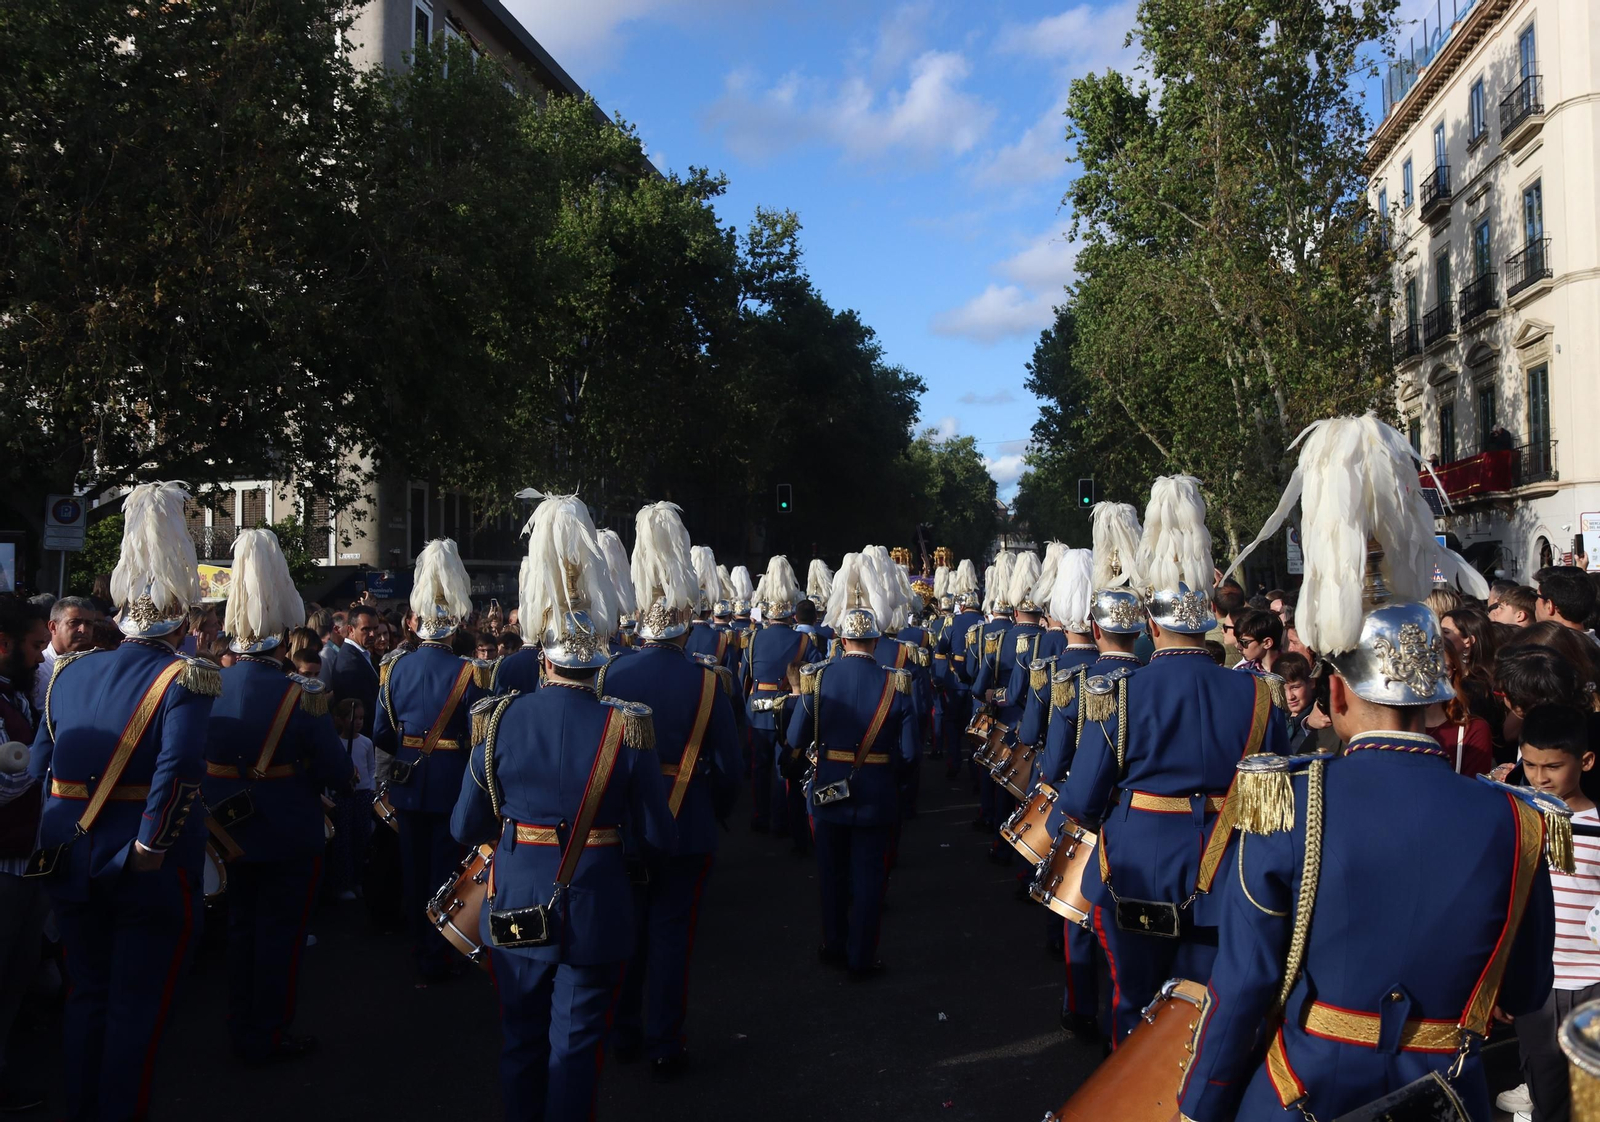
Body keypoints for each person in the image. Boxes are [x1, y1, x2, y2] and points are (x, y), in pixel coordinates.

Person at [1175, 414, 1552, 1122]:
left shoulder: (1288, 800)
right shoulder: (1518, 819)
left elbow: (1247, 982)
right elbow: (1528, 988)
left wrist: (1201, 1106)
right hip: (1450, 1100)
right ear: (1443, 701)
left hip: (1305, 1093)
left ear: (1338, 691)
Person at [451, 494, 673, 1122]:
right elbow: (657, 835)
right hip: (596, 899)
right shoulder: (627, 728)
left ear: (541, 655)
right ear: (600, 657)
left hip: (516, 894)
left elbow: (463, 824)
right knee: (575, 1048)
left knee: (520, 1041)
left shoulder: (496, 722)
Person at [1056, 474, 1287, 1045]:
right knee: (1207, 1013)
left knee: (1135, 1005)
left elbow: (1083, 800)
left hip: (1138, 865)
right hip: (1230, 869)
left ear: (1150, 625)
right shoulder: (1262, 693)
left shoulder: (1122, 692)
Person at [27, 482, 219, 1121]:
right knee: (138, 1007)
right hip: (140, 867)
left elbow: (37, 763)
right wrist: (148, 847)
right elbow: (181, 770)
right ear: (179, 617)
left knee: (87, 995)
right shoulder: (183, 677)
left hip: (69, 858)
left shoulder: (70, 672)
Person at [602, 503, 741, 1081]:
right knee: (670, 937)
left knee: (624, 931)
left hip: (623, 822)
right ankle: (664, 1039)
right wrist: (718, 812)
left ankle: (622, 1031)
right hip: (687, 822)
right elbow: (732, 767)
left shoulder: (610, 674)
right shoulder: (707, 679)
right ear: (685, 623)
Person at [201, 528, 352, 1064]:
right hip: (288, 829)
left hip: (224, 827)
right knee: (280, 937)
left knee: (239, 930)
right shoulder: (302, 695)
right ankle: (268, 1030)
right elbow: (335, 770)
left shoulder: (206, 685)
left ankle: (239, 1024)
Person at [374, 538, 490, 985]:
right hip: (450, 784)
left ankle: (418, 950)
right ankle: (439, 954)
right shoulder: (470, 672)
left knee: (414, 871)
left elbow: (381, 732)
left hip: (406, 782)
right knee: (447, 874)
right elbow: (481, 737)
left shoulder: (394, 668)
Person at [794, 572, 920, 978]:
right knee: (869, 878)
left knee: (830, 872)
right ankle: (861, 957)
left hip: (829, 784)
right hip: (877, 791)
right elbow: (911, 753)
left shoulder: (820, 677)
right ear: (876, 642)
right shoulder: (896, 683)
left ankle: (834, 943)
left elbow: (796, 736)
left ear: (842, 640)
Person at [1510, 704, 1600, 1122]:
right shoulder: (1519, 820)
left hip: (1592, 986)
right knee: (1546, 1089)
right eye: (1529, 765)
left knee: (1590, 1098)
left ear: (1585, 761)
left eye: (1553, 766)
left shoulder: (1597, 826)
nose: (1540, 777)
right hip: (1537, 988)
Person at [0, 598, 48, 1113]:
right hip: (3, 866)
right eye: (35, 645)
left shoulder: (18, 695)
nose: (41, 657)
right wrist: (45, 762)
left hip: (25, 862)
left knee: (16, 977)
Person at [742, 556, 820, 840]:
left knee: (759, 765)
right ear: (790, 616)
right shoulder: (803, 641)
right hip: (789, 708)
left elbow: (744, 678)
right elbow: (812, 677)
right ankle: (782, 818)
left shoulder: (752, 639)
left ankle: (760, 816)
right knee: (785, 765)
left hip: (759, 709)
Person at [329, 698, 375, 902]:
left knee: (362, 838)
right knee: (343, 840)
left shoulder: (366, 742)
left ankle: (359, 880)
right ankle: (343, 883)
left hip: (363, 795)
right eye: (353, 718)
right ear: (340, 719)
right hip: (342, 796)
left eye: (361, 718)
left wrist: (371, 789)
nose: (358, 722)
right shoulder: (335, 743)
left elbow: (371, 768)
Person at [31, 595, 100, 710]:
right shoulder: (38, 670)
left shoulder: (98, 668)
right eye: (74, 623)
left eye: (89, 624)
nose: (83, 629)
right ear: (53, 626)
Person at [329, 603, 380, 738]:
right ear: (351, 629)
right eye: (366, 629)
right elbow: (359, 709)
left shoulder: (362, 655)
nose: (372, 634)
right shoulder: (349, 664)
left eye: (375, 628)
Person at [1535, 566, 1598, 638]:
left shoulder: (1538, 647)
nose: (1535, 602)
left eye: (1537, 596)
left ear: (1550, 606)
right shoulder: (1595, 645)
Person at [1230, 608, 1282, 675]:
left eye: (1244, 642)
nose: (1239, 647)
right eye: (1238, 641)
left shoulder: (1292, 668)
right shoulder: (1242, 671)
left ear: (1267, 643)